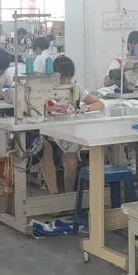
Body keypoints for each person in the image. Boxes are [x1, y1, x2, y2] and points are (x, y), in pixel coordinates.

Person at [39, 56, 104, 195]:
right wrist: (51, 109)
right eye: (62, 78)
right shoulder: (43, 89)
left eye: (69, 78)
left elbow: (100, 104)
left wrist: (86, 108)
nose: (66, 82)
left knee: (73, 161)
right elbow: (33, 109)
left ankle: (70, 195)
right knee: (57, 154)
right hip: (48, 130)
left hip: (70, 130)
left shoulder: (75, 88)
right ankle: (60, 195)